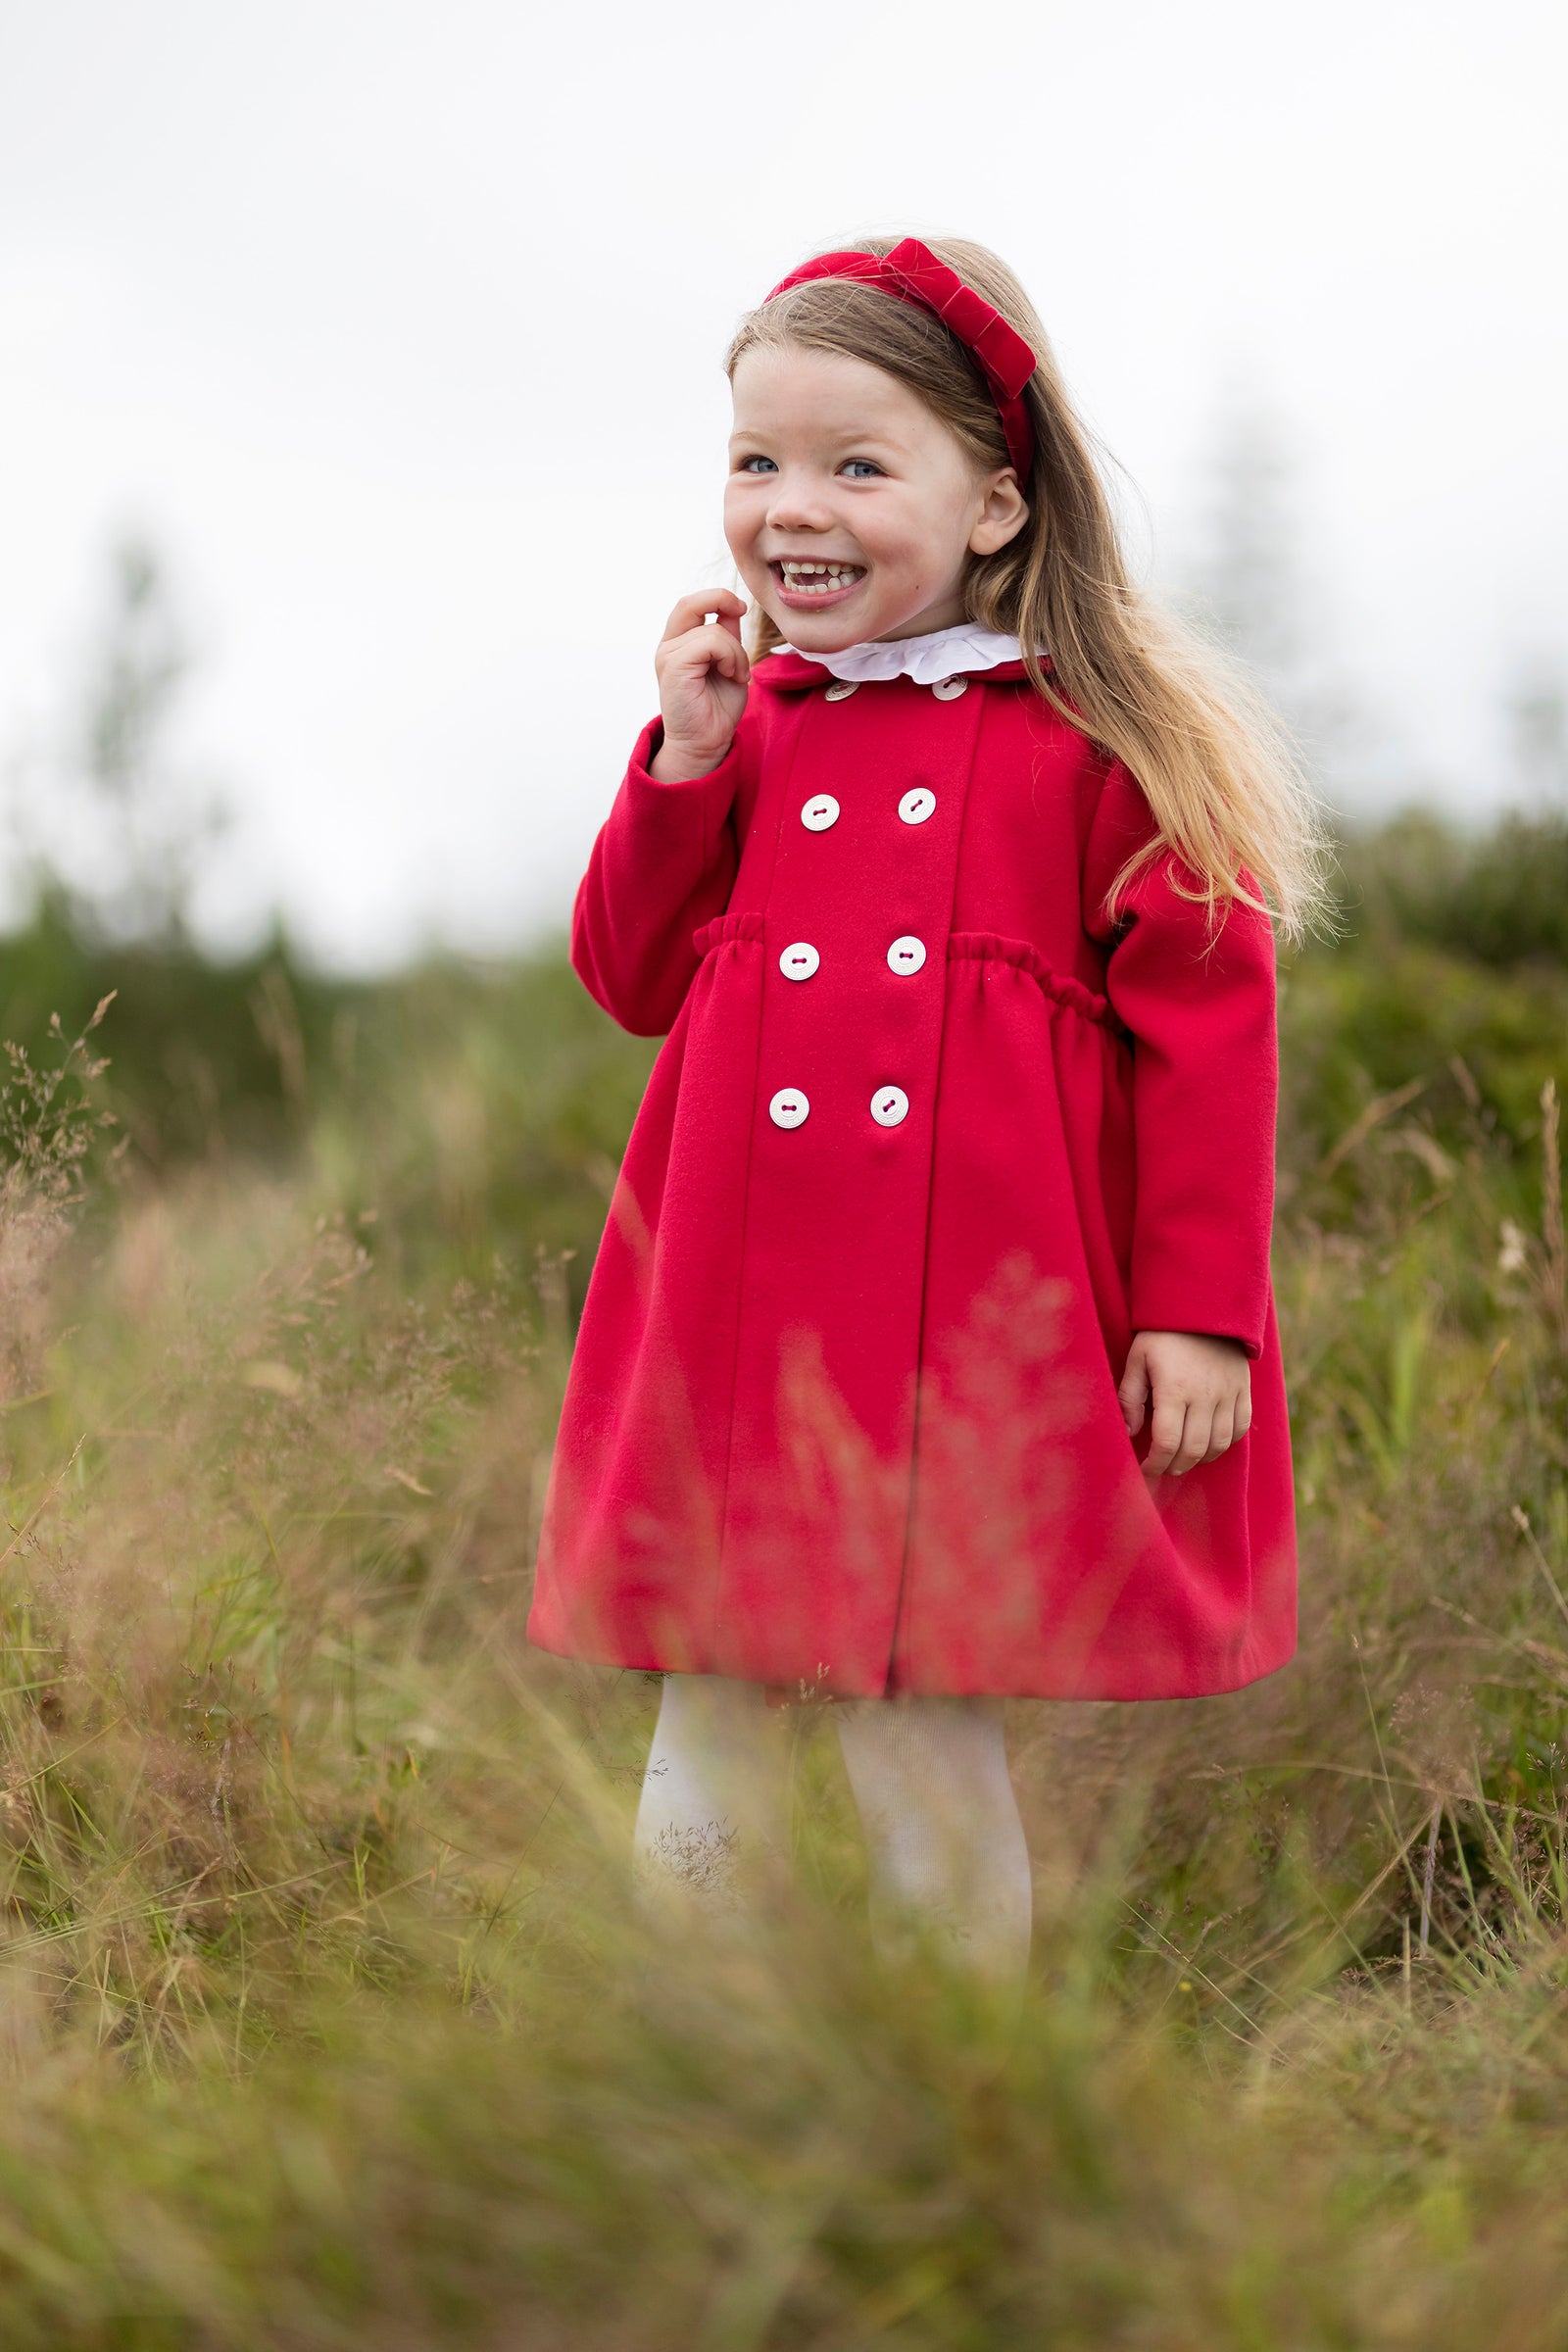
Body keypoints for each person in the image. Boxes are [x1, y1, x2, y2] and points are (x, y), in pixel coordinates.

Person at [527, 236, 1325, 1982]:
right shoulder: (753, 726)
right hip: (742, 1310)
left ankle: (965, 2077)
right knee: (711, 1697)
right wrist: (679, 763)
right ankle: (688, 2057)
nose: (790, 506)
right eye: (757, 461)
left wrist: (1198, 1318)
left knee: (916, 1715)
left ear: (993, 506)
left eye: (854, 464)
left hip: (961, 1322)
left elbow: (1212, 1033)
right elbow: (630, 976)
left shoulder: (1099, 749)